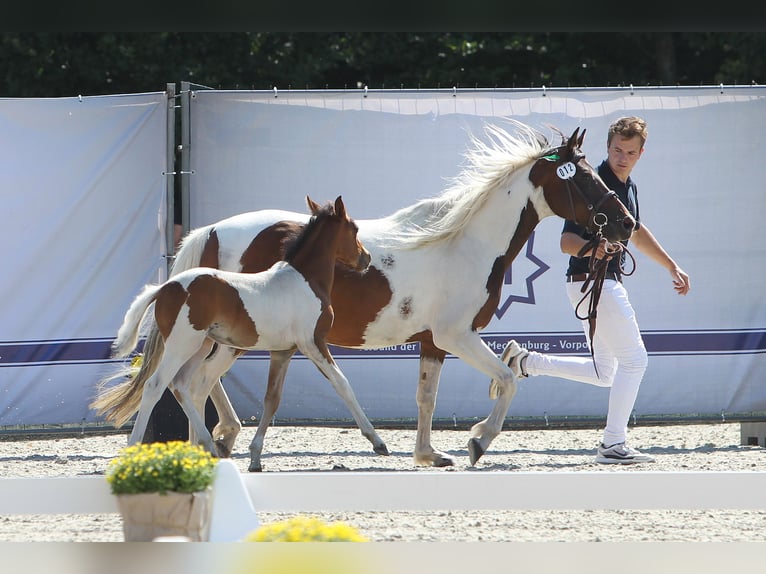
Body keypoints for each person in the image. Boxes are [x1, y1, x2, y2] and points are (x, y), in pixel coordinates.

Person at [498, 116, 691, 464]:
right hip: (593, 281)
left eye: (630, 152)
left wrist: (671, 265)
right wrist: (594, 249)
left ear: (640, 153)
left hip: (600, 283)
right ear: (608, 147)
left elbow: (635, 230)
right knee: (635, 361)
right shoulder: (594, 183)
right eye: (618, 149)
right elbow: (566, 242)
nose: (623, 157)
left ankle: (526, 362)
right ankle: (613, 444)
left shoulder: (629, 187)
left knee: (607, 373)